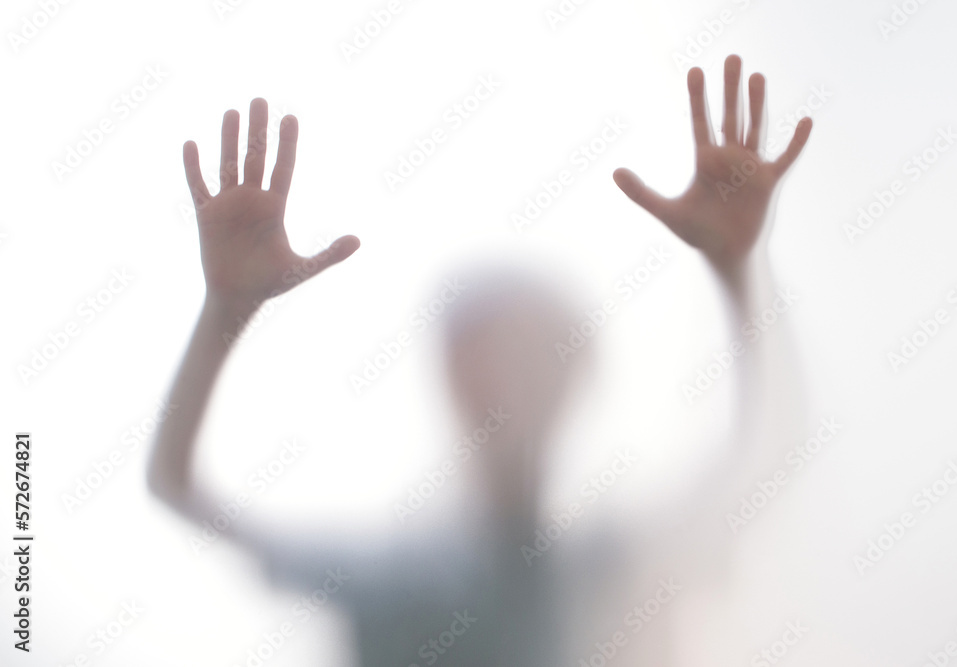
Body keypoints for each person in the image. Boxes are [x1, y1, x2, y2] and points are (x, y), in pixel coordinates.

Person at [147, 54, 812, 665]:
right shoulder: (394, 573)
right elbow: (176, 487)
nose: (498, 382)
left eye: (523, 355)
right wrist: (223, 314)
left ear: (572, 379)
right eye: (477, 357)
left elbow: (768, 457)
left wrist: (741, 271)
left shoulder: (608, 563)